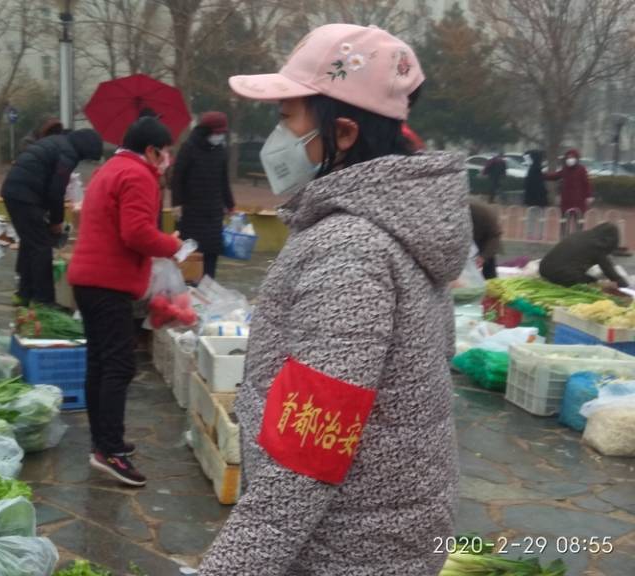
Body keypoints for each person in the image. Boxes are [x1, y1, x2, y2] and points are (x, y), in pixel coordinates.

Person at [199, 24, 471, 576]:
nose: (277, 137)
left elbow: (308, 450)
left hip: (343, 549)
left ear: (342, 133)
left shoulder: (349, 248)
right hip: (392, 531)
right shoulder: (398, 227)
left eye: (287, 118)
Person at [67, 117, 182, 487]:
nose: (167, 160)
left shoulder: (111, 168)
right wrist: (174, 245)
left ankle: (102, 442)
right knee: (118, 366)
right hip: (108, 282)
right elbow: (136, 233)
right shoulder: (137, 175)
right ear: (152, 150)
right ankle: (109, 450)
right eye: (166, 153)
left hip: (88, 278)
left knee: (100, 363)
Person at [1, 129, 103, 307]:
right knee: (41, 247)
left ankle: (24, 294)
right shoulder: (68, 153)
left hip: (15, 191)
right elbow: (56, 190)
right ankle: (44, 301)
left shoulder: (58, 142)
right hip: (24, 195)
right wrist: (57, 220)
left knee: (30, 243)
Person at [171, 111, 235, 278]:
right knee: (189, 254)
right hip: (191, 213)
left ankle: (208, 288)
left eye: (222, 133)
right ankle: (186, 288)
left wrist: (230, 204)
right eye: (217, 132)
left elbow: (223, 181)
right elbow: (177, 178)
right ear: (206, 130)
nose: (219, 136)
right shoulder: (189, 148)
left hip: (213, 214)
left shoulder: (221, 151)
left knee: (211, 254)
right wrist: (177, 204)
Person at [539, 223, 628, 288]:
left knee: (586, 276)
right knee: (594, 283)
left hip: (543, 268)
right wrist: (626, 286)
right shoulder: (598, 246)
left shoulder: (580, 234)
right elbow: (610, 272)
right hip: (561, 275)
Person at [545, 149, 592, 236]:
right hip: (566, 201)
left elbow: (587, 183)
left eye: (572, 157)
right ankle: (563, 238)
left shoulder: (581, 170)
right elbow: (555, 176)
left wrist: (588, 196)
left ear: (576, 159)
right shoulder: (565, 170)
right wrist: (542, 175)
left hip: (579, 201)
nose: (570, 159)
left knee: (579, 222)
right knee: (564, 221)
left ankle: (578, 239)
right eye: (568, 157)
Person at [469, 200, 501, 279]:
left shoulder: (484, 213)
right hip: (466, 239)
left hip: (486, 239)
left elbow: (495, 236)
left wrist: (483, 257)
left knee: (489, 268)